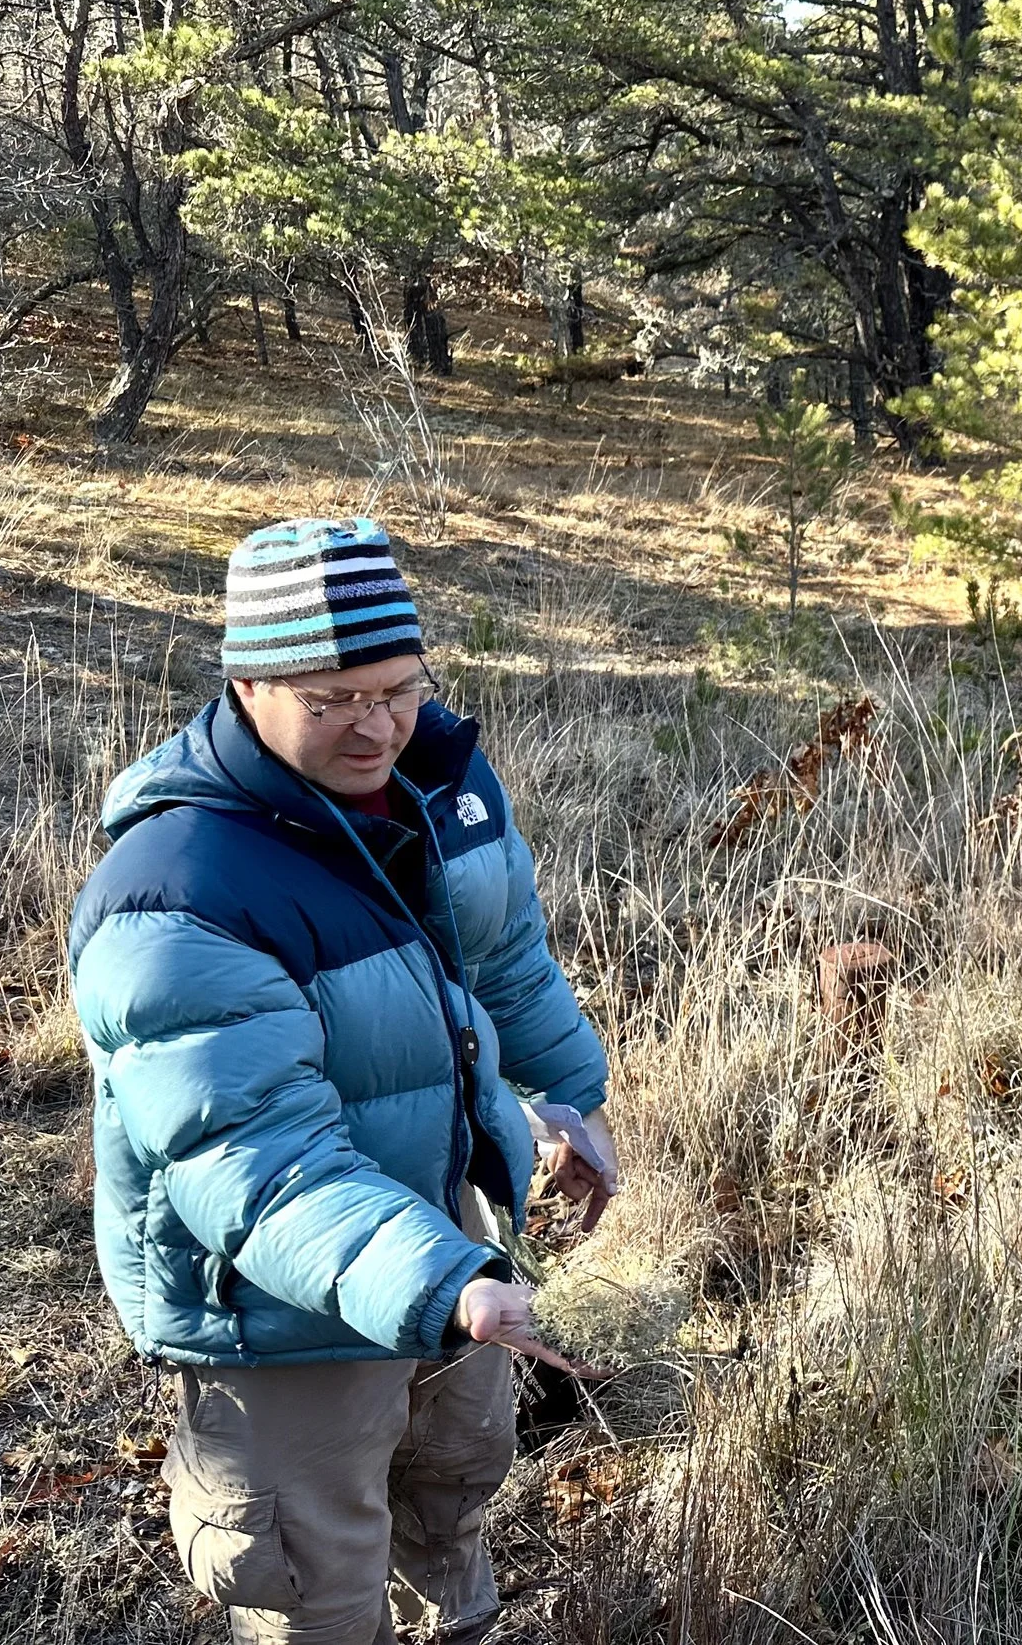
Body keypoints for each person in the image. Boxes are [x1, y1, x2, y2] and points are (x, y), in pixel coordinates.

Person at [67, 518, 618, 1645]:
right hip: (277, 1313)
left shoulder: (437, 783)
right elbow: (257, 1163)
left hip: (436, 1233)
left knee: (449, 1493)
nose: (376, 725)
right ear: (248, 684)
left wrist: (574, 1099)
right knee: (314, 1582)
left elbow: (504, 955)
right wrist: (446, 1280)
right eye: (332, 699)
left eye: (399, 688)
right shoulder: (177, 892)